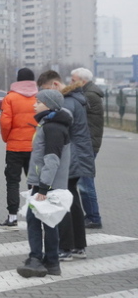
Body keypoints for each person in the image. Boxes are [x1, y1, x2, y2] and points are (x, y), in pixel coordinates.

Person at [37, 70, 94, 262]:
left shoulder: (66, 103)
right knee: (73, 201)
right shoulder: (75, 99)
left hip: (69, 158)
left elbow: (60, 133)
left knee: (63, 202)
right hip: (78, 157)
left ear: (54, 86)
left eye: (45, 92)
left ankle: (65, 247)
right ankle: (78, 246)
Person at [16, 89, 71, 278]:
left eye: (38, 102)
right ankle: (50, 262)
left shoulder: (52, 127)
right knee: (47, 222)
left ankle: (38, 260)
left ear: (48, 105)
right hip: (46, 183)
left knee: (36, 220)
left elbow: (52, 160)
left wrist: (43, 188)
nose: (34, 104)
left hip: (47, 185)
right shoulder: (49, 124)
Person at [0, 67, 38, 229]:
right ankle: (36, 215)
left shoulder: (10, 98)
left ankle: (12, 216)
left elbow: (5, 122)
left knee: (13, 181)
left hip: (15, 147)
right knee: (35, 183)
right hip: (36, 148)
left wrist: (7, 138)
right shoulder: (40, 97)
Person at [70, 68, 104, 229]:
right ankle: (90, 215)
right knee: (82, 181)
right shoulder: (88, 93)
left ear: (82, 81)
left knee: (85, 182)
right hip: (86, 143)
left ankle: (94, 217)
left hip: (87, 144)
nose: (70, 82)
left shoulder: (89, 96)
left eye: (73, 80)